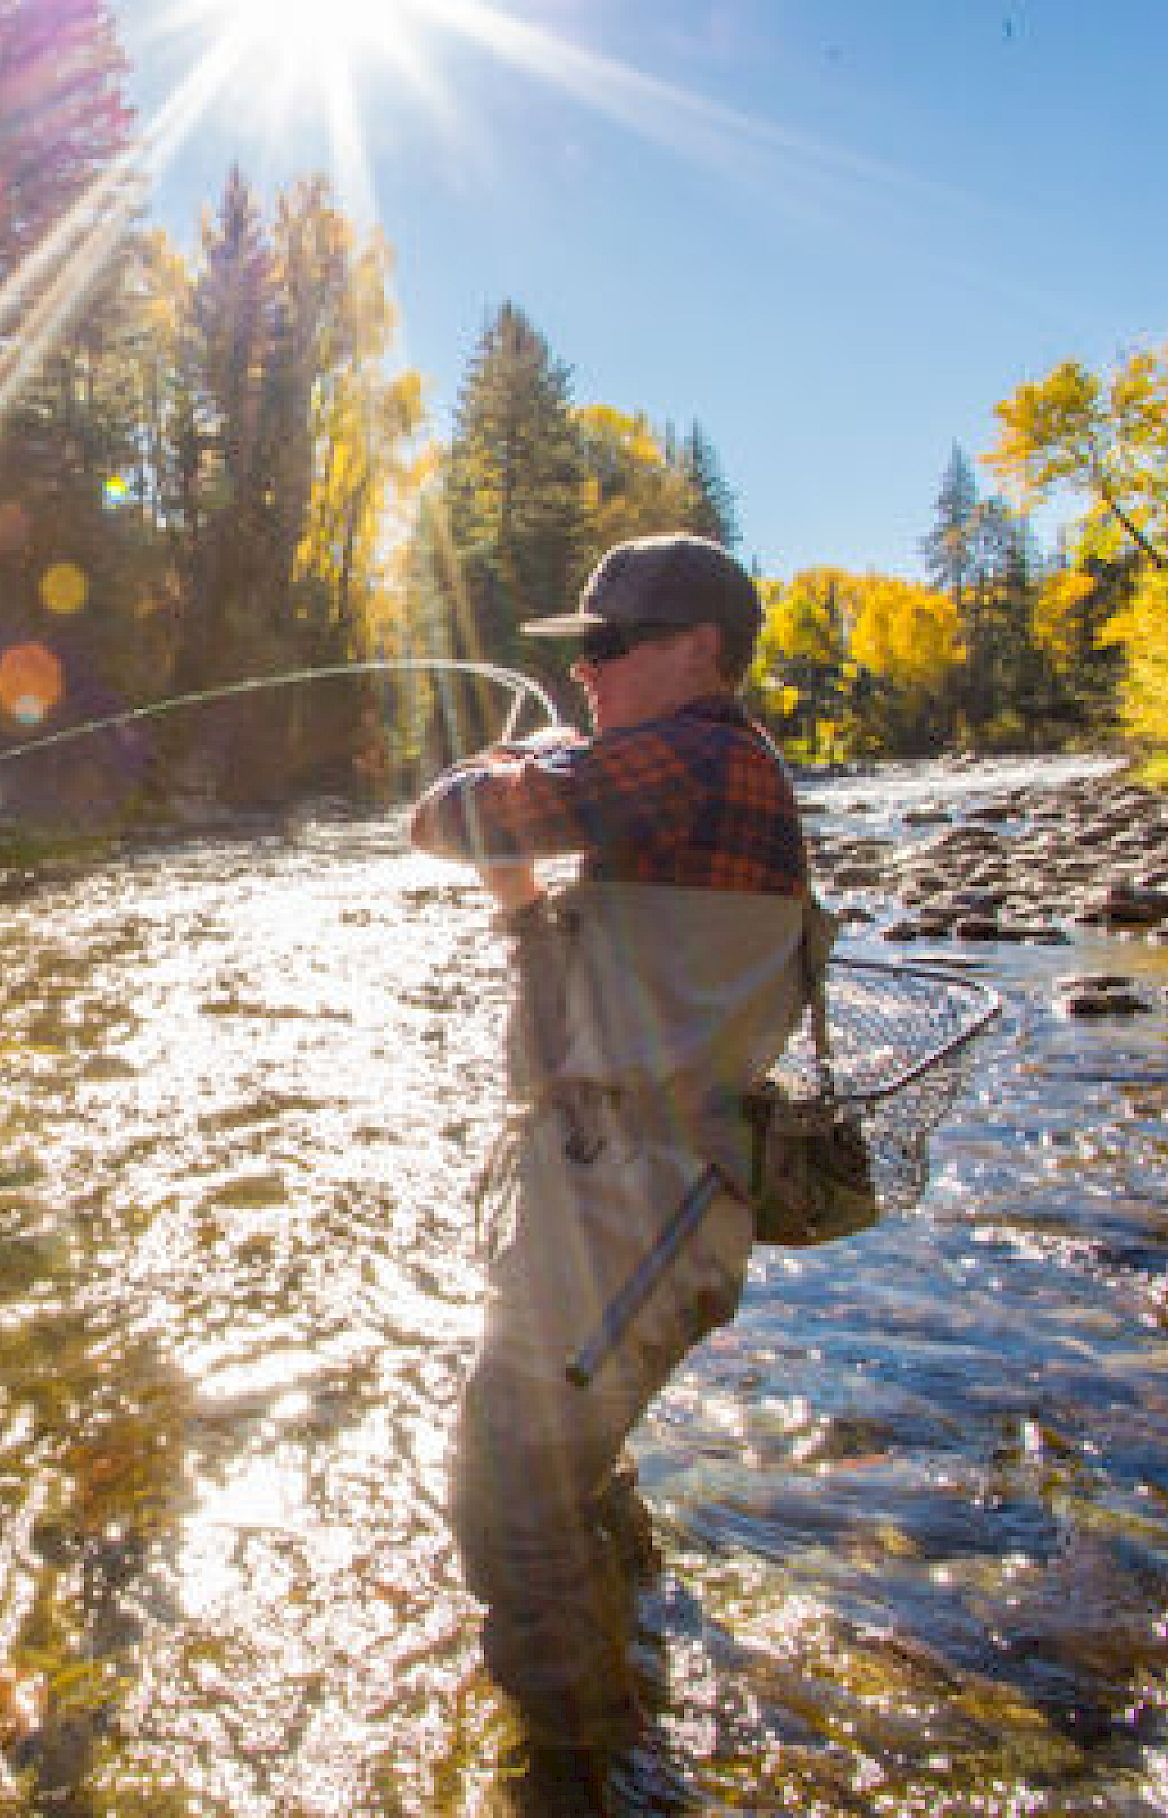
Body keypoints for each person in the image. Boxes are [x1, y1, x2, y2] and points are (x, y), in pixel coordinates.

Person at [409, 533, 815, 1814]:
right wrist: (521, 902)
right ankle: (620, 1621)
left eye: (605, 644)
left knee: (503, 1473)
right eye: (575, 651)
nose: (582, 670)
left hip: (640, 1198)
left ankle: (578, 1758)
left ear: (699, 650)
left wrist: (501, 769)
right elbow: (576, 950)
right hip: (627, 1192)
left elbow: (444, 816)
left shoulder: (697, 756)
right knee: (565, 1450)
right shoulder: (679, 787)